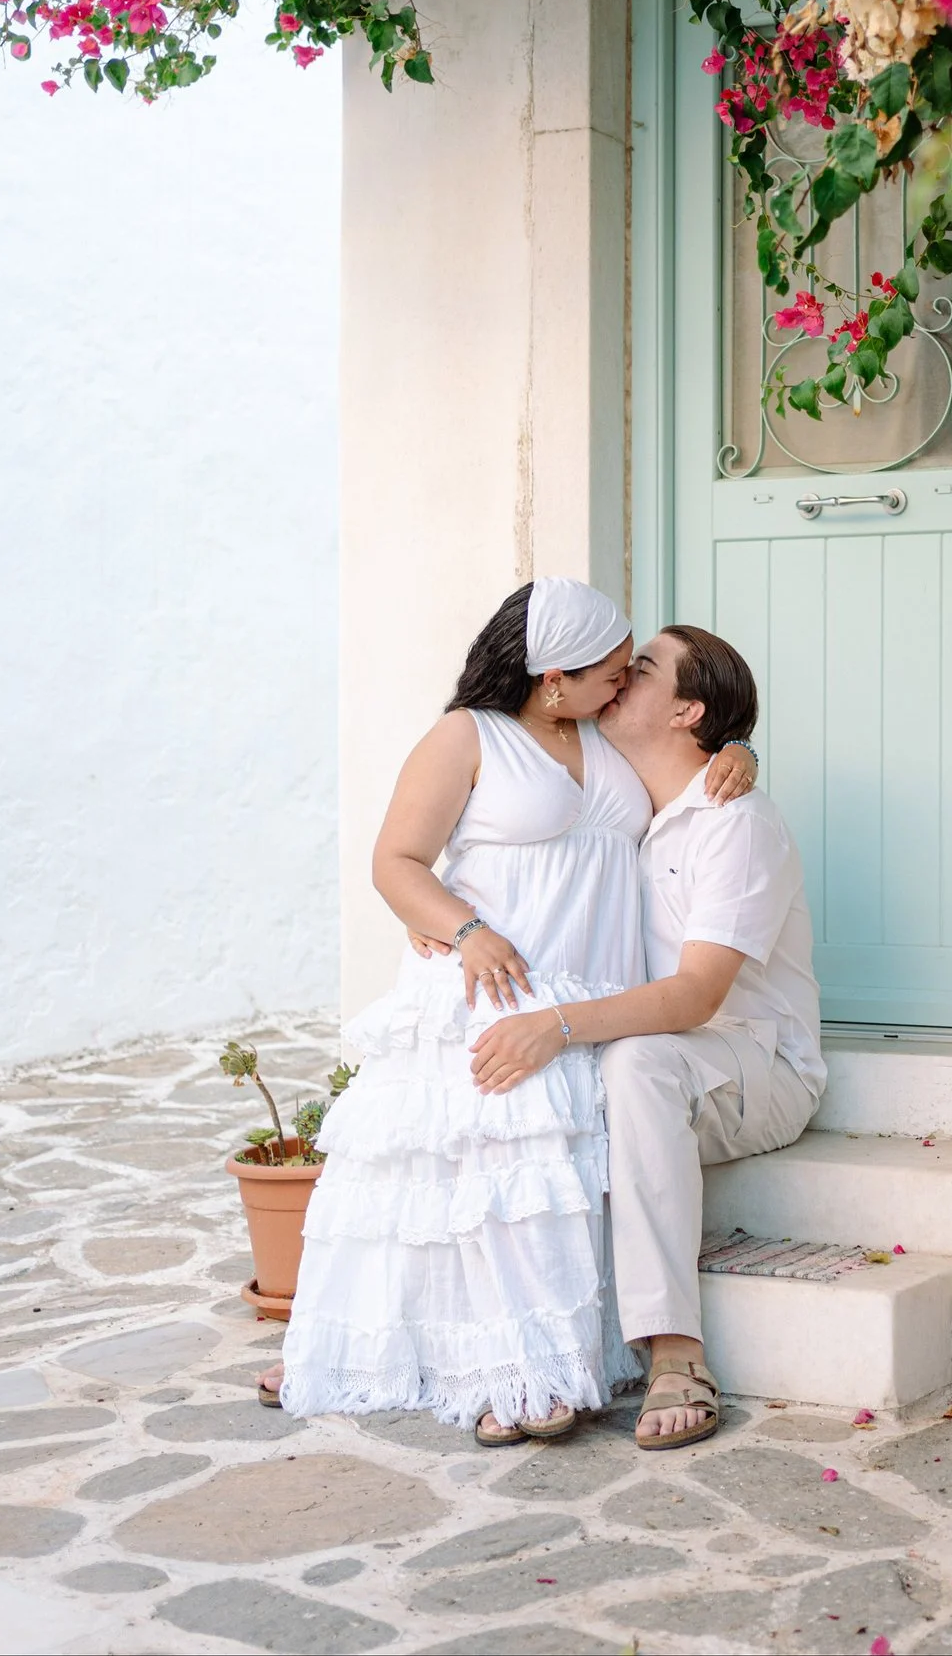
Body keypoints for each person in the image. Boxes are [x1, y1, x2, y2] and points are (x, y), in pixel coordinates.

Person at [260, 581, 755, 1446]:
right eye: (611, 669)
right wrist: (464, 930)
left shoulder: (607, 736)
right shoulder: (466, 736)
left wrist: (743, 750)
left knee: (547, 1192)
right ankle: (483, 1365)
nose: (625, 681)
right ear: (553, 677)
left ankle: (541, 1363)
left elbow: (690, 745)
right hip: (493, 986)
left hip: (590, 1001)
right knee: (477, 1190)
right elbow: (397, 861)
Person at [466, 624, 822, 1451]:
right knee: (517, 1092)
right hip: (658, 1056)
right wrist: (452, 923)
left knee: (633, 1062)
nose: (620, 675)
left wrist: (554, 1026)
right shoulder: (619, 801)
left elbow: (698, 995)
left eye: (645, 669)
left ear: (687, 711)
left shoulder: (738, 822)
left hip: (754, 1063)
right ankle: (522, 1353)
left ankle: (676, 1352)